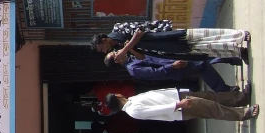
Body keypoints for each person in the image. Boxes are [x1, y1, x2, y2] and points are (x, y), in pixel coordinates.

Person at [90, 21, 250, 62]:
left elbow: (139, 31)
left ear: (104, 39)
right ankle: (236, 51)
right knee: (206, 50)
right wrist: (129, 51)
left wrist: (126, 48)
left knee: (207, 36)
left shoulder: (118, 29)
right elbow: (142, 58)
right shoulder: (118, 50)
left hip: (166, 36)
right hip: (167, 50)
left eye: (102, 47)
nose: (104, 51)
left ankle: (240, 36)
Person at [104, 50, 243, 93]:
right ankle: (223, 89)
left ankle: (232, 60)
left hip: (171, 58)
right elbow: (155, 73)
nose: (117, 51)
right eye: (115, 54)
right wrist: (172, 67)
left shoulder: (132, 57)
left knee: (201, 61)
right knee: (202, 65)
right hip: (174, 68)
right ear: (117, 61)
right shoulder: (133, 69)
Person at [105, 89, 259, 123]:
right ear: (118, 96)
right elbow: (157, 109)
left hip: (178, 95)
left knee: (212, 96)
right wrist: (179, 104)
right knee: (212, 108)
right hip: (180, 107)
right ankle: (244, 113)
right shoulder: (133, 110)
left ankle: (240, 98)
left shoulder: (132, 100)